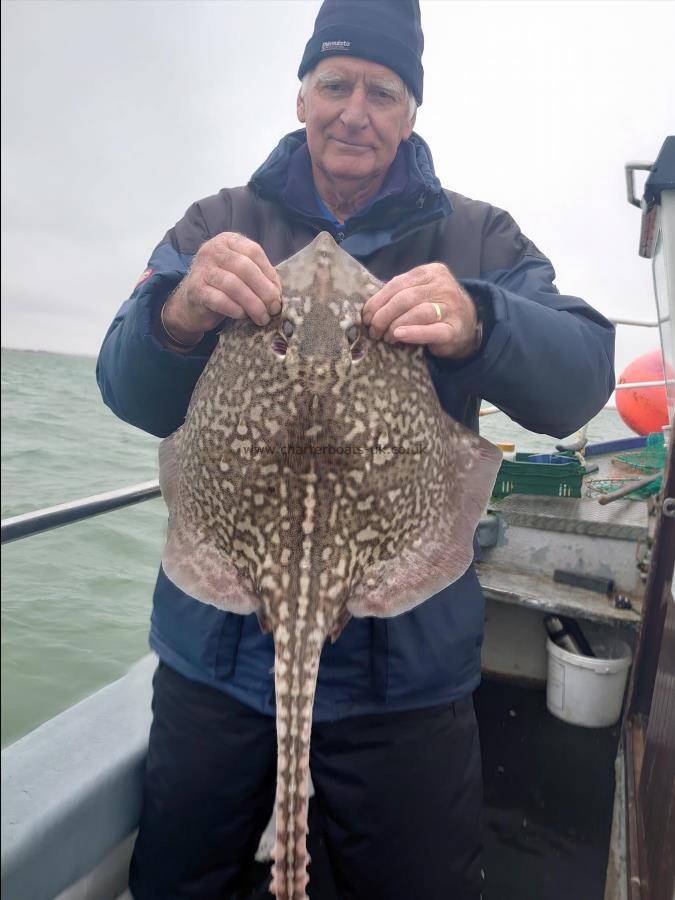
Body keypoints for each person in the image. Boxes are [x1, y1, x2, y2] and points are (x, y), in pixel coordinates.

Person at [97, 1, 615, 897]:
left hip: (403, 686)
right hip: (214, 672)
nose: (354, 109)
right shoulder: (217, 222)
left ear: (411, 112)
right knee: (183, 881)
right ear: (300, 96)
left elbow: (579, 379)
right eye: (334, 84)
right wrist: (175, 313)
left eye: (382, 90)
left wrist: (481, 319)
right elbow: (128, 390)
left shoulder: (479, 238)